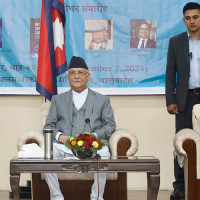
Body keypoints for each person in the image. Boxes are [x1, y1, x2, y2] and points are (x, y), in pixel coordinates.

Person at [44, 56, 116, 200]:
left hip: (92, 146)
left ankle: (96, 197)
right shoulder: (57, 100)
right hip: (64, 146)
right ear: (68, 77)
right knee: (46, 154)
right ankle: (57, 197)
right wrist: (62, 137)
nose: (76, 76)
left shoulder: (102, 100)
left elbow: (110, 125)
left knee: (105, 152)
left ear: (88, 76)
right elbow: (48, 126)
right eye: (72, 73)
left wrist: (93, 137)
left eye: (80, 72)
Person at [165, 2, 200, 200]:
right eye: (188, 18)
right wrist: (170, 100)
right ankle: (180, 187)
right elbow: (170, 74)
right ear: (183, 20)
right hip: (185, 99)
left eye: (195, 17)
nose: (192, 21)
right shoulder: (176, 42)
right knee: (182, 143)